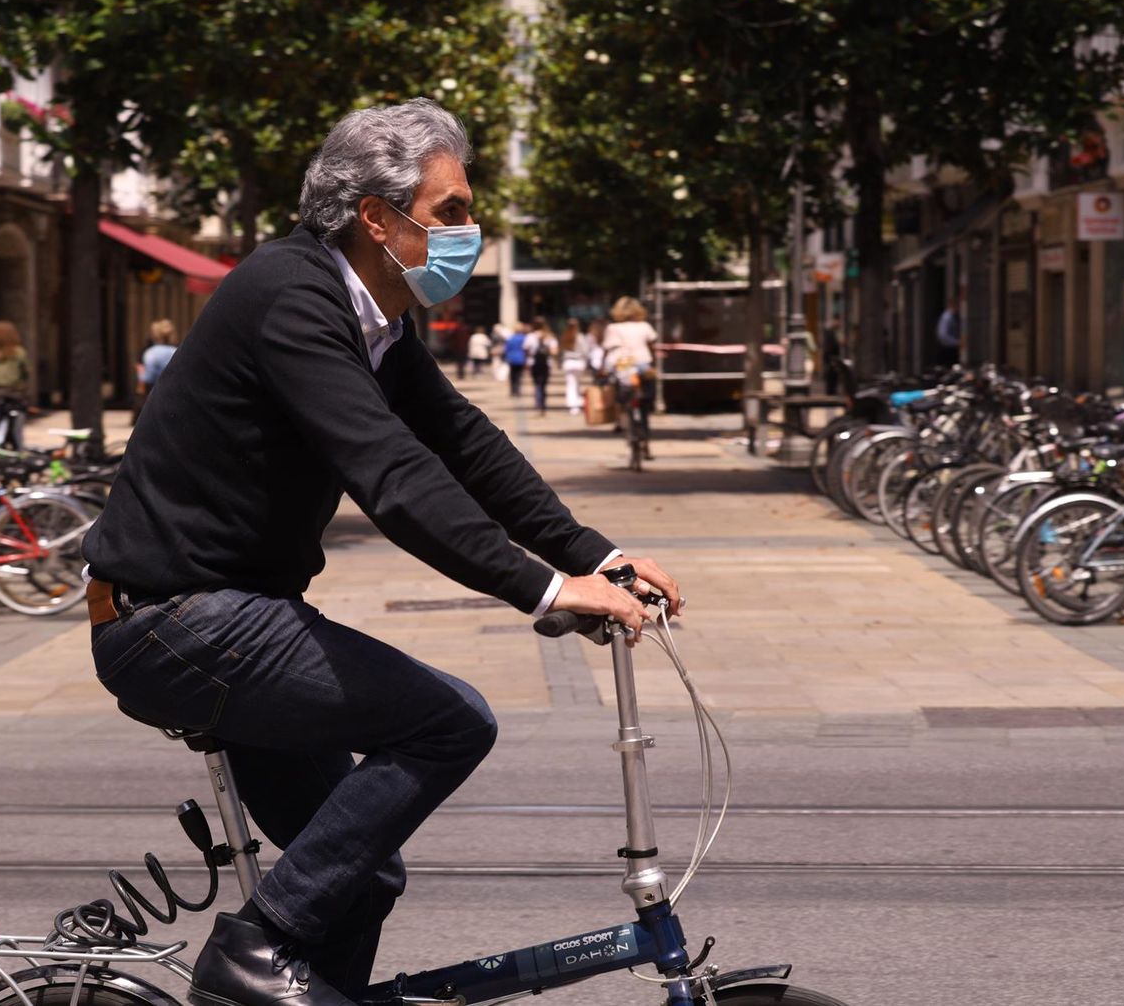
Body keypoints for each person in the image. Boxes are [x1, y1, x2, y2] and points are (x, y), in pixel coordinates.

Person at [80, 99, 680, 1006]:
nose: (470, 231)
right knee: (450, 721)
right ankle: (254, 948)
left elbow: (464, 443)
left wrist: (601, 555)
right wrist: (547, 590)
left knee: (358, 878)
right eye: (451, 211)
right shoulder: (291, 295)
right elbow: (392, 473)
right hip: (175, 618)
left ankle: (275, 967)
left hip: (235, 612)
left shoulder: (377, 318)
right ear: (376, 217)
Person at [600, 296, 659, 458]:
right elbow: (652, 346)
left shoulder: (613, 328)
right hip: (642, 366)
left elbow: (607, 350)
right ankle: (645, 440)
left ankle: (623, 417)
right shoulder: (644, 326)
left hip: (623, 366)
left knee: (621, 395)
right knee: (645, 405)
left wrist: (602, 369)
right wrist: (652, 362)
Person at [0, 320, 31, 447]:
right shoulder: (19, 352)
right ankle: (19, 449)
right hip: (15, 394)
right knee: (17, 428)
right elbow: (26, 372)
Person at [132, 319, 180, 421]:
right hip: (174, 394)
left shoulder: (150, 353)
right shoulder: (177, 351)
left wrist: (140, 379)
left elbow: (147, 378)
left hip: (155, 395)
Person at [524, 315, 557, 415]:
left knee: (537, 384)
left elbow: (525, 349)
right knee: (543, 385)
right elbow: (554, 351)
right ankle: (543, 405)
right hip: (546, 363)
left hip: (533, 363)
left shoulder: (530, 336)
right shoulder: (550, 336)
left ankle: (538, 404)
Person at [559, 320, 590, 415]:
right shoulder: (580, 337)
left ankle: (572, 405)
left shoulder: (564, 336)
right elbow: (585, 350)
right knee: (577, 383)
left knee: (570, 384)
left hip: (568, 362)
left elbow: (561, 351)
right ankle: (576, 403)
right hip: (579, 362)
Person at [502, 322, 529, 398]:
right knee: (519, 375)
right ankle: (518, 391)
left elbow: (506, 348)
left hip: (511, 358)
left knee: (512, 375)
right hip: (520, 357)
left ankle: (512, 391)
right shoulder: (523, 338)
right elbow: (526, 348)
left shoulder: (510, 338)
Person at [821, 315, 843, 396]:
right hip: (831, 357)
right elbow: (830, 346)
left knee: (833, 375)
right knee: (831, 375)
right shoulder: (830, 332)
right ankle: (831, 391)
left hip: (831, 357)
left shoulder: (832, 332)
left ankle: (831, 391)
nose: (840, 324)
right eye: (839, 322)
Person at [936, 297, 961, 367]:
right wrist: (957, 342)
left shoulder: (951, 316)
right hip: (948, 348)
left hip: (950, 347)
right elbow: (943, 334)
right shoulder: (947, 317)